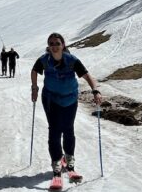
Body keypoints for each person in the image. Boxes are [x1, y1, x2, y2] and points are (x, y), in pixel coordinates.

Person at [31, 32, 102, 176]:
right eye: (51, 44)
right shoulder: (44, 60)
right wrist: (35, 88)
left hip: (70, 99)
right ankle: (56, 160)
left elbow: (87, 75)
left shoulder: (71, 60)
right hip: (51, 99)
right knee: (55, 129)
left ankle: (69, 157)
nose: (55, 46)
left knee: (68, 129)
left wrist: (95, 90)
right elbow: (34, 71)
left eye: (57, 43)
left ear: (63, 45)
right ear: (48, 47)